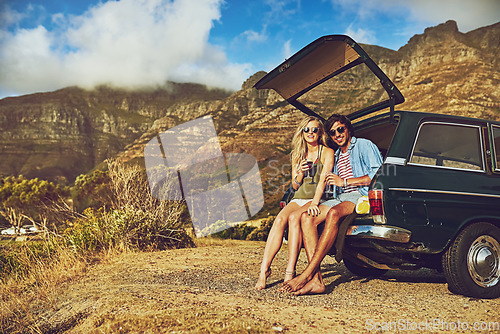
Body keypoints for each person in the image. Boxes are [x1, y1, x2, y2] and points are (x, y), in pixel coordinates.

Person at [281, 114, 383, 295]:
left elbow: (378, 175)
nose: (337, 134)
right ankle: (317, 281)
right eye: (333, 132)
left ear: (348, 128)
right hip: (339, 196)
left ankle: (306, 274)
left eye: (340, 129)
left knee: (334, 213)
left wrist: (344, 182)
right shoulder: (334, 154)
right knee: (307, 218)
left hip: (359, 195)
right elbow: (324, 181)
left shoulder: (363, 145)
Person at [255, 116, 334, 290]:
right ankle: (264, 270)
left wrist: (314, 203)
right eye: (307, 130)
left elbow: (323, 181)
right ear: (302, 133)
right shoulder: (298, 154)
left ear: (320, 132)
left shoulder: (327, 152)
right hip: (299, 197)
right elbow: (294, 185)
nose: (310, 133)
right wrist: (300, 173)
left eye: (314, 129)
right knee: (279, 220)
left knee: (293, 219)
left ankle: (289, 272)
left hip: (317, 197)